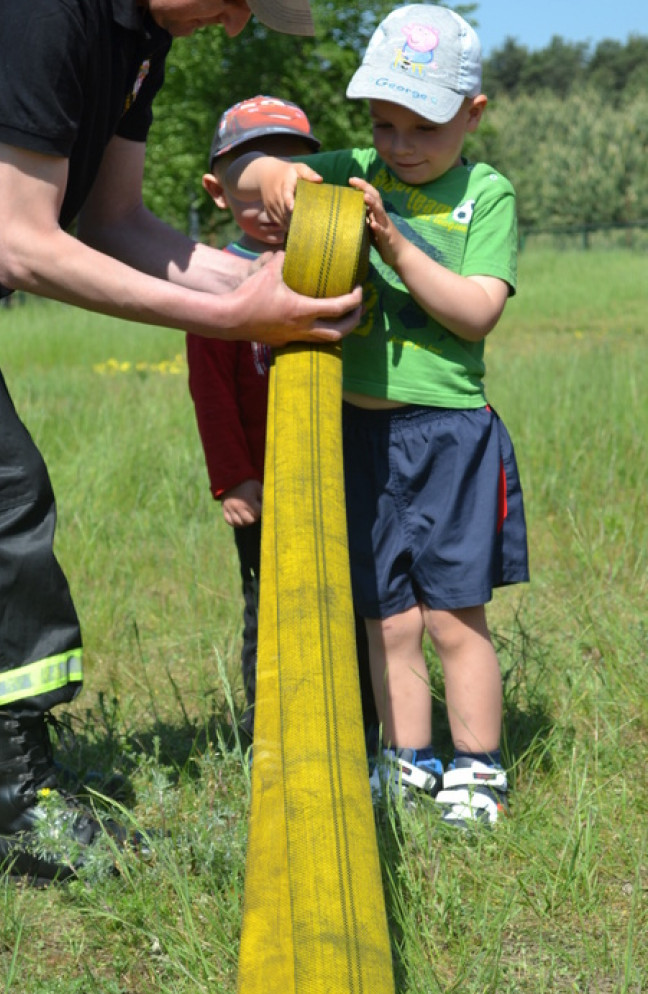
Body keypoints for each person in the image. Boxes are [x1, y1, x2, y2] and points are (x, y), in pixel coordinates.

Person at [0, 0, 364, 885]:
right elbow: (26, 247)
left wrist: (265, 286)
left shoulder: (140, 30)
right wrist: (235, 316)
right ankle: (14, 816)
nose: (234, 26)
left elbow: (114, 222)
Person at [224, 4, 530, 827]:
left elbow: (476, 312)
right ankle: (407, 760)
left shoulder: (484, 194)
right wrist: (277, 176)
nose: (399, 145)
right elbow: (247, 178)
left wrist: (396, 247)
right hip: (354, 434)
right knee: (386, 618)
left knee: (453, 617)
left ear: (473, 114)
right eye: (383, 123)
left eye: (423, 127)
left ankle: (478, 768)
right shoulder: (356, 169)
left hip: (448, 436)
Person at [186, 95, 321, 740]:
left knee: (347, 596)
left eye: (286, 182)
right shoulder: (215, 283)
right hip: (262, 486)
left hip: (332, 472)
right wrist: (234, 479)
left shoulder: (329, 264)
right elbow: (210, 392)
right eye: (250, 190)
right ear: (218, 192)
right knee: (266, 599)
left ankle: (354, 713)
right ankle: (268, 721)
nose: (271, 208)